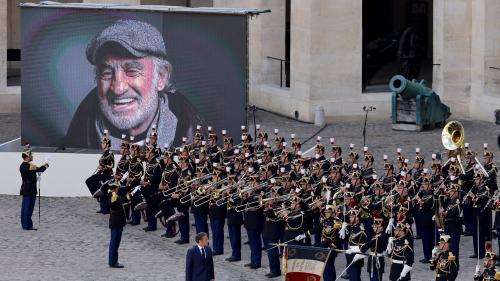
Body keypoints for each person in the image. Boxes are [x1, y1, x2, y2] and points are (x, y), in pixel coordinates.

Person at [62, 19, 204, 150]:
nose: (118, 89)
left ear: (161, 77)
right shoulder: (63, 155)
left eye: (132, 71)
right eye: (107, 73)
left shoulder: (206, 155)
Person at [19, 147, 49, 230]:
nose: (32, 157)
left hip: (27, 188)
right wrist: (46, 163)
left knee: (27, 207)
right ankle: (26, 225)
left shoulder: (24, 165)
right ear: (27, 157)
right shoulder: (29, 166)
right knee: (28, 207)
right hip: (30, 189)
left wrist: (36, 178)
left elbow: (30, 175)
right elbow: (40, 169)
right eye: (31, 156)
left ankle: (27, 224)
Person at [108, 180, 127, 268]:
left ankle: (113, 261)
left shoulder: (113, 195)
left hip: (117, 222)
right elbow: (114, 204)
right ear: (116, 188)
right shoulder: (113, 195)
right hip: (116, 222)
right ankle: (113, 262)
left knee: (115, 243)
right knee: (115, 243)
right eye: (117, 187)